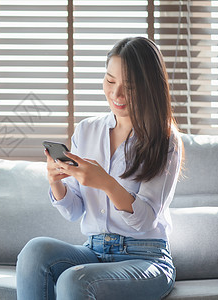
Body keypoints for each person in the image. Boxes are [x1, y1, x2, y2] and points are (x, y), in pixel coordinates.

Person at [16, 37, 183, 300]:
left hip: (146, 258)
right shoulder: (87, 130)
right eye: (109, 80)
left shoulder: (165, 139)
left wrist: (106, 183)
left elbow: (145, 220)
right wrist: (55, 183)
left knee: (75, 280)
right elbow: (75, 211)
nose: (116, 94)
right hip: (94, 250)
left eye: (129, 87)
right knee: (35, 252)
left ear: (149, 87)